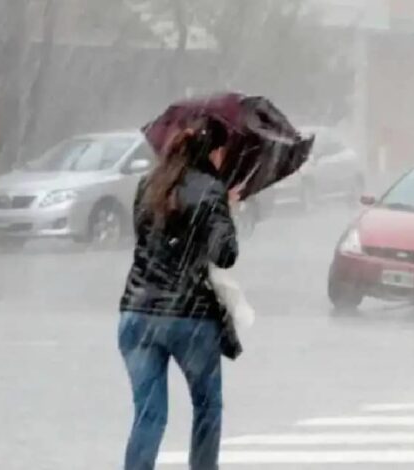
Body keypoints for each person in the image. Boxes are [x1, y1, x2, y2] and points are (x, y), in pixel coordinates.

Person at [118, 116, 239, 470]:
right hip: (189, 317)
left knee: (149, 415)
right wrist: (225, 213)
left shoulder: (148, 184)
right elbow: (225, 255)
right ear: (215, 152)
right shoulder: (210, 190)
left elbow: (149, 240)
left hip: (137, 314)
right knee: (206, 405)